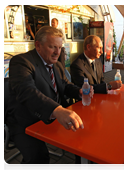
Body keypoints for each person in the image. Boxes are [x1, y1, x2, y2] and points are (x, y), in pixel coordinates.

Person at [6, 26, 93, 170]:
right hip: (26, 120)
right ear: (38, 45)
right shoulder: (21, 62)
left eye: (59, 47)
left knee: (84, 139)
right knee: (38, 157)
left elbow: (65, 85)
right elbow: (27, 92)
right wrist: (57, 110)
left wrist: (79, 92)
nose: (57, 52)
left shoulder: (57, 65)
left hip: (53, 116)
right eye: (52, 47)